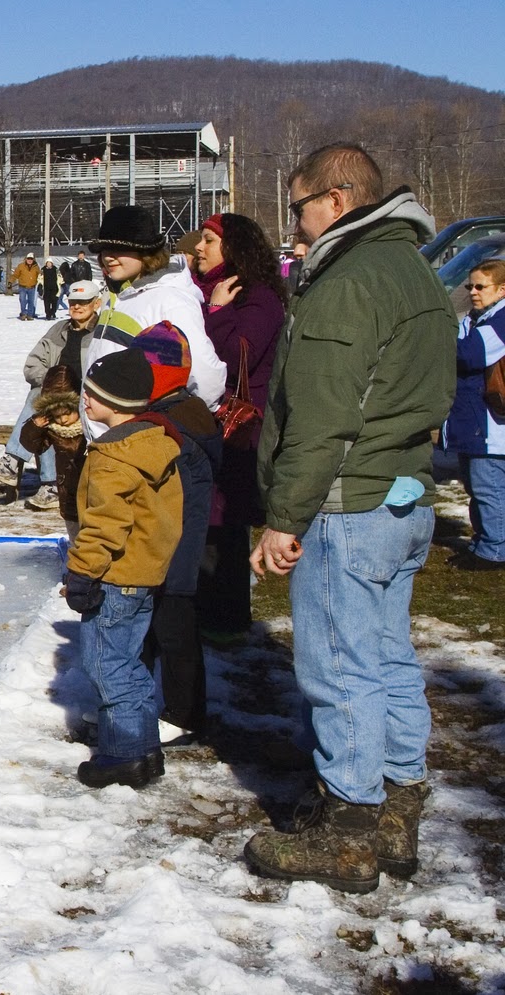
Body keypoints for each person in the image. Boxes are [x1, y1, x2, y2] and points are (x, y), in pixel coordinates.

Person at [244, 143, 457, 894]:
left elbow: (324, 417)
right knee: (388, 655)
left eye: (299, 207)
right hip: (402, 498)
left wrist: (284, 516)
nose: (293, 225)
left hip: (349, 501)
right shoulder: (417, 272)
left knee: (339, 665)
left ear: (337, 198)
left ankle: (350, 829)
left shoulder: (349, 281)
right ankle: (396, 805)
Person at [63, 348, 184, 789]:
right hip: (144, 575)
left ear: (113, 403)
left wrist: (82, 573)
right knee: (126, 662)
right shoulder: (154, 443)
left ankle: (124, 756)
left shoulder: (114, 457)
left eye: (92, 394)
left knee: (107, 665)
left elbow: (104, 526)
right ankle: (144, 749)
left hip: (115, 578)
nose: (85, 401)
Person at [188, 213, 289, 642]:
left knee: (224, 520)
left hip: (241, 425)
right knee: (209, 516)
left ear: (234, 248)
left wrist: (216, 313)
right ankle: (211, 610)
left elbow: (240, 355)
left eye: (209, 240)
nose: (199, 248)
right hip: (212, 420)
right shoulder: (212, 291)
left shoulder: (257, 296)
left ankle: (225, 620)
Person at [127, 322, 222, 748]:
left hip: (176, 547)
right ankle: (145, 702)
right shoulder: (181, 409)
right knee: (160, 627)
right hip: (172, 543)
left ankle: (184, 713)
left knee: (174, 629)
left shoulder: (172, 425)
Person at [81, 205, 227, 440]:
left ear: (146, 253)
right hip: (106, 442)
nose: (108, 256)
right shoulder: (118, 296)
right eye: (104, 248)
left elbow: (203, 374)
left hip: (140, 444)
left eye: (120, 249)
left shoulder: (168, 299)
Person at [0, 279, 104, 498]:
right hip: (54, 398)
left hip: (86, 400)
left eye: (83, 302)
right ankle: (34, 476)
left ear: (96, 303)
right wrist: (52, 383)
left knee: (43, 405)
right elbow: (32, 365)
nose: (76, 306)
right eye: (73, 301)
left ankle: (40, 477)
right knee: (42, 401)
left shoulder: (103, 334)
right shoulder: (58, 330)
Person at [441, 260, 505, 570]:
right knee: (476, 487)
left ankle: (494, 551)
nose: (473, 292)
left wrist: (435, 339)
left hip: (491, 426)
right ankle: (483, 542)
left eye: (481, 287)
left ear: (502, 289)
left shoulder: (501, 320)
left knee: (488, 487)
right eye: (470, 286)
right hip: (473, 422)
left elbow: (470, 355)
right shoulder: (477, 318)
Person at [16, 364, 85, 537]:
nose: (62, 420)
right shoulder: (53, 430)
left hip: (90, 489)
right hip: (66, 491)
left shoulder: (89, 428)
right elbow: (32, 445)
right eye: (57, 415)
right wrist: (34, 427)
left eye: (67, 413)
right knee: (74, 533)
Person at [12, 253, 40, 320]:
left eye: (31, 259)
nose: (30, 260)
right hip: (23, 287)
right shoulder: (21, 266)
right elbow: (15, 275)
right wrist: (10, 282)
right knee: (22, 300)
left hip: (32, 287)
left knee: (31, 301)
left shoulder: (36, 267)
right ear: (26, 259)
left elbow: (40, 275)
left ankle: (30, 315)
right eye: (28, 259)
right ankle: (23, 314)